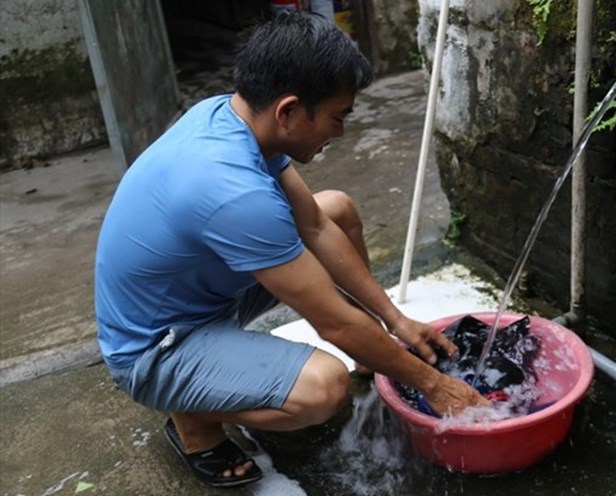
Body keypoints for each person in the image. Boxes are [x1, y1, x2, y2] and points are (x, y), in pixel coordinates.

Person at [94, 11, 487, 489]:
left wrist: (393, 321)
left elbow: (317, 224)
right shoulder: (231, 190)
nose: (339, 133)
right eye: (337, 116)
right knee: (324, 389)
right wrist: (436, 386)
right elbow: (334, 322)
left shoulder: (233, 116)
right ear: (289, 110)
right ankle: (193, 419)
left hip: (201, 293)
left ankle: (369, 351)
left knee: (337, 210)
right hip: (155, 349)